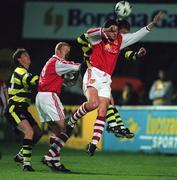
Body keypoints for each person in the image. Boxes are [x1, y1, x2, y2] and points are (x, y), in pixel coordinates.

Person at [65, 11, 164, 156]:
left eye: (116, 30)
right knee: (93, 104)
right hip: (93, 73)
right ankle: (72, 121)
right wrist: (105, 30)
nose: (114, 33)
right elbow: (87, 33)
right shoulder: (98, 38)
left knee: (104, 109)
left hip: (106, 79)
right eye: (112, 30)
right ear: (106, 30)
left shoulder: (120, 40)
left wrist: (153, 24)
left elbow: (138, 34)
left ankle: (93, 143)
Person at [76, 19, 146, 138]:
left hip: (100, 73)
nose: (125, 36)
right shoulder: (103, 39)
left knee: (109, 100)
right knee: (106, 100)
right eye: (123, 33)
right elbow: (83, 41)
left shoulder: (117, 42)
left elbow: (126, 53)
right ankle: (115, 125)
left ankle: (117, 126)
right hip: (89, 69)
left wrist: (136, 55)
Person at [35, 42, 80, 172]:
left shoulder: (51, 62)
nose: (67, 54)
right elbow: (77, 66)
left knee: (56, 132)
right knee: (67, 128)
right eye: (66, 51)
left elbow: (66, 82)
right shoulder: (57, 61)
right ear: (59, 51)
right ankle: (50, 157)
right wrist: (89, 64)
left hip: (40, 97)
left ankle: (55, 162)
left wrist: (71, 78)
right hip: (49, 96)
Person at [5, 48, 42, 171]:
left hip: (22, 109)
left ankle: (21, 155)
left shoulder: (24, 71)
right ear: (20, 60)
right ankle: (26, 165)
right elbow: (30, 80)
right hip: (14, 109)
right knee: (29, 132)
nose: (28, 56)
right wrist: (46, 76)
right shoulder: (19, 70)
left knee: (37, 133)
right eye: (25, 55)